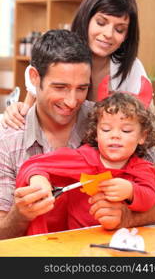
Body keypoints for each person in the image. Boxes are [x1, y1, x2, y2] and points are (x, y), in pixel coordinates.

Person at [1, 0, 155, 230]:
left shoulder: (111, 116)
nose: (108, 34)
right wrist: (18, 110)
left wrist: (131, 207)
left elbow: (152, 149)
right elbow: (32, 104)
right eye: (60, 86)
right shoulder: (13, 139)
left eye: (81, 87)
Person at [0, 29, 123, 239]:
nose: (72, 101)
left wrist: (126, 215)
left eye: (82, 88)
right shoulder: (7, 140)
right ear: (34, 77)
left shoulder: (109, 121)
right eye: (60, 87)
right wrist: (20, 215)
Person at [16, 89, 155, 236]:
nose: (115, 136)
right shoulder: (82, 157)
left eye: (126, 131)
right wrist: (38, 179)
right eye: (106, 129)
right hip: (77, 241)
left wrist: (131, 191)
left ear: (142, 136)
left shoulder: (142, 167)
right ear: (96, 133)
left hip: (121, 239)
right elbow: (34, 164)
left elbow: (149, 199)